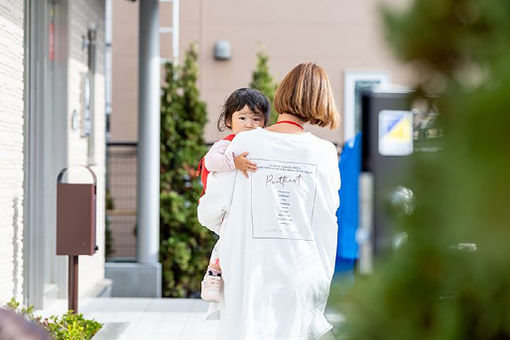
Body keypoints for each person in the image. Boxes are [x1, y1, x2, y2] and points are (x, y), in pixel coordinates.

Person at [198, 62, 340, 339]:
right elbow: (326, 221)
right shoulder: (324, 153)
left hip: (247, 269)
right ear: (323, 102)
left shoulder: (243, 144)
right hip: (303, 271)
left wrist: (234, 227)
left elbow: (209, 211)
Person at [197, 88, 271, 302]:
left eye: (256, 118)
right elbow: (210, 162)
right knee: (228, 236)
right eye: (242, 117)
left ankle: (218, 272)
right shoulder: (226, 144)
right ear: (229, 120)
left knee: (232, 239)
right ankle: (212, 274)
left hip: (245, 205)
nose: (249, 124)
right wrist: (234, 162)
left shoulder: (262, 144)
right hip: (221, 206)